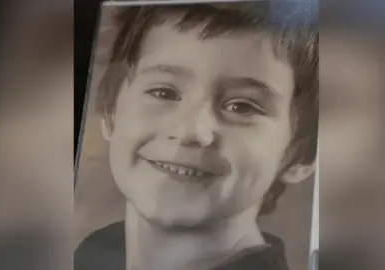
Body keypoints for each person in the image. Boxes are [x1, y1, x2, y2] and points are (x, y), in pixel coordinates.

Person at [75, 3, 318, 270]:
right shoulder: (89, 256)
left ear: (303, 157)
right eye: (163, 93)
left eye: (242, 107)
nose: (190, 131)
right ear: (110, 112)